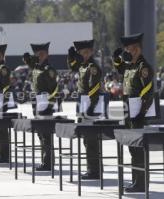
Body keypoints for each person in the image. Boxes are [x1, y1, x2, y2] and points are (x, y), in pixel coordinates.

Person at [112, 33, 154, 192]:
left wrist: (141, 112)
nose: (127, 52)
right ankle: (136, 180)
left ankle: (141, 183)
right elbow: (120, 68)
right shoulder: (130, 66)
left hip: (138, 113)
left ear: (136, 49)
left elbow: (148, 91)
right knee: (132, 147)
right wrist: (116, 58)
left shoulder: (143, 67)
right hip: (128, 112)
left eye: (128, 49)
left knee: (138, 149)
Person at [67, 40, 102, 179]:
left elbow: (94, 88)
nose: (85, 55)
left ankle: (94, 171)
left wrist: (90, 108)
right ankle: (92, 168)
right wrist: (71, 56)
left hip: (90, 106)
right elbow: (72, 66)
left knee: (91, 139)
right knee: (86, 139)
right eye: (82, 53)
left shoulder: (92, 67)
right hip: (83, 104)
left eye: (87, 52)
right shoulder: (83, 65)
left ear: (91, 52)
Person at [23, 42, 59, 171]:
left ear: (47, 54)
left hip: (45, 103)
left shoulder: (49, 69)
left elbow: (54, 89)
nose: (39, 56)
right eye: (37, 54)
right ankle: (45, 160)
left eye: (42, 54)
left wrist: (50, 104)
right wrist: (28, 61)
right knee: (40, 133)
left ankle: (48, 162)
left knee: (46, 134)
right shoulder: (36, 68)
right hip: (36, 103)